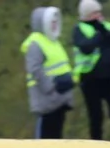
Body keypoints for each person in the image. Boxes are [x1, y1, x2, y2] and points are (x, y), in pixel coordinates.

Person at [73, 0, 110, 144]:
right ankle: (96, 144)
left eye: (99, 12)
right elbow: (85, 48)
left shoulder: (106, 27)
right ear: (87, 15)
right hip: (90, 78)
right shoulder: (79, 29)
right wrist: (99, 33)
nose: (99, 15)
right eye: (95, 13)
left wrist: (105, 31)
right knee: (95, 115)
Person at [22, 6, 76, 139]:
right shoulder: (36, 44)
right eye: (51, 22)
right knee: (45, 140)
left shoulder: (53, 42)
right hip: (47, 101)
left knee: (56, 138)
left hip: (60, 100)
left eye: (56, 22)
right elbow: (34, 69)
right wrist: (52, 86)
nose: (55, 25)